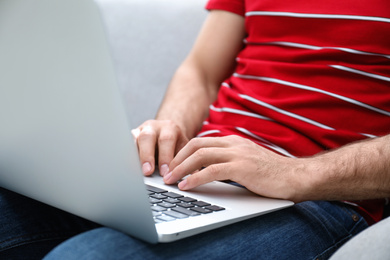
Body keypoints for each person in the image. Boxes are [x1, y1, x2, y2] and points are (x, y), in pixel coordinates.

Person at [2, 0, 389, 259]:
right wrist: (170, 128)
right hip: (193, 173)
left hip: (319, 201)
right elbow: (200, 71)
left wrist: (293, 173)